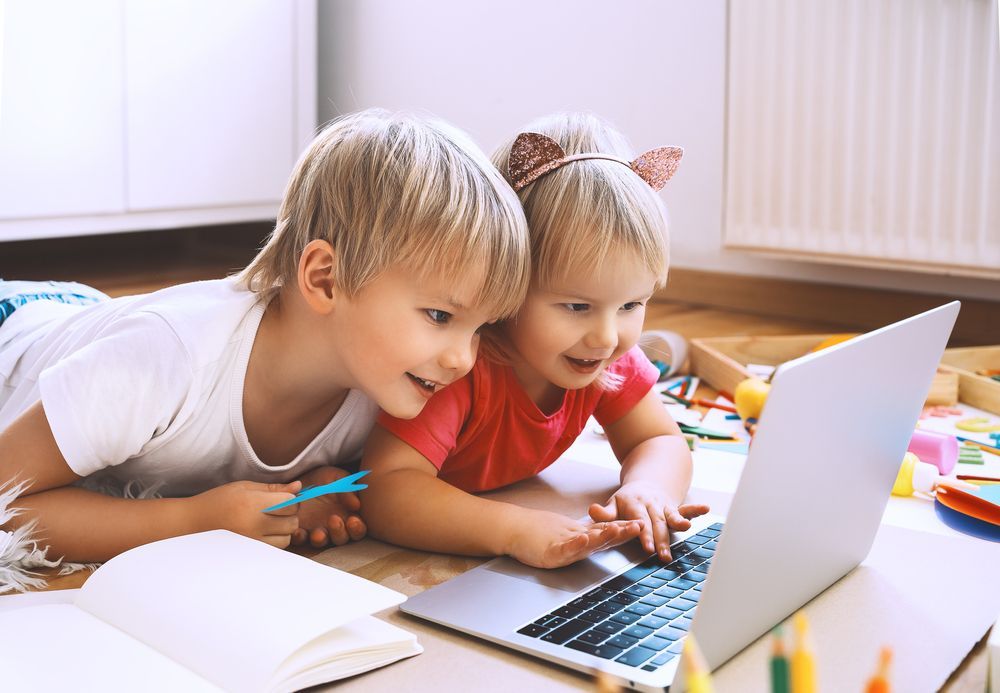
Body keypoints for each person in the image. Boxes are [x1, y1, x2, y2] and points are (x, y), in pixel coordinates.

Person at [0, 108, 530, 567]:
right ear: (325, 278)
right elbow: (7, 503)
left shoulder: (385, 381)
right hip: (20, 325)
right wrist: (190, 521)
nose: (464, 360)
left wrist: (316, 484)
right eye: (440, 316)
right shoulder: (167, 359)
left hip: (93, 315)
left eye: (480, 328)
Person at [361, 113, 709, 569]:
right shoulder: (460, 365)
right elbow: (387, 489)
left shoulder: (602, 360)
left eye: (631, 305)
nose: (606, 337)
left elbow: (660, 439)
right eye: (576, 307)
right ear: (508, 284)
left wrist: (649, 488)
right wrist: (514, 529)